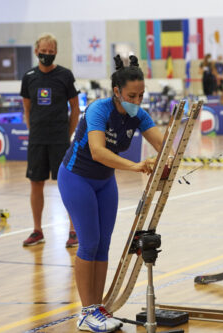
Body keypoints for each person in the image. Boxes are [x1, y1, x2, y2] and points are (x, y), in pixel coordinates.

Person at [57, 54, 165, 332]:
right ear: (117, 92)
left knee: (103, 245)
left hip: (105, 182)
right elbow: (97, 151)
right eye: (132, 95)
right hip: (76, 178)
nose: (138, 101)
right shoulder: (98, 110)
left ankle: (98, 308)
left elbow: (164, 145)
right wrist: (137, 166)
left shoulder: (139, 114)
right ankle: (86, 312)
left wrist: (169, 154)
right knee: (89, 243)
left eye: (141, 95)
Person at [20, 33, 81, 247]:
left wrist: (68, 134)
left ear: (55, 52)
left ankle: (73, 231)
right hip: (37, 139)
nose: (47, 54)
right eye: (43, 51)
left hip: (59, 139)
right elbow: (27, 107)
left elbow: (75, 108)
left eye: (50, 51)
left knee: (67, 184)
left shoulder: (65, 75)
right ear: (36, 51)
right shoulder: (28, 77)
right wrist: (32, 129)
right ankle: (37, 231)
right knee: (36, 183)